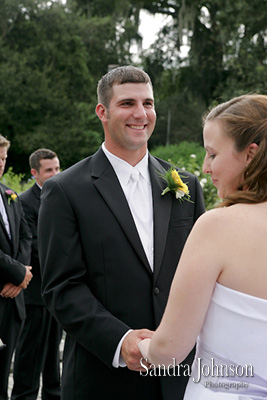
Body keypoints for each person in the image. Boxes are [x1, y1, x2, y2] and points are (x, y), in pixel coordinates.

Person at [38, 65, 205, 400]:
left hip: (180, 376)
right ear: (103, 111)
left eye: (148, 103)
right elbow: (62, 287)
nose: (141, 114)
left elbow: (201, 271)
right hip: (103, 378)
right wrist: (120, 340)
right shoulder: (65, 190)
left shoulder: (184, 185)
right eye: (127, 103)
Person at [138, 94, 267, 399]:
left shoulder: (218, 226)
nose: (206, 168)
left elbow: (169, 351)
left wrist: (143, 344)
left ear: (250, 154)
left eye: (212, 154)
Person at [11, 149, 62, 400]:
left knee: (54, 354)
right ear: (35, 173)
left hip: (58, 291)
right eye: (49, 170)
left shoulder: (64, 196)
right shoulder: (25, 201)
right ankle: (24, 396)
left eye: (57, 168)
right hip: (35, 290)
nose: (55, 174)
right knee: (30, 354)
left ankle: (54, 395)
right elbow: (32, 246)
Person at [0, 134, 32, 400]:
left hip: (12, 301)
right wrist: (19, 273)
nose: (0, 164)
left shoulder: (9, 195)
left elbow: (25, 235)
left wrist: (20, 276)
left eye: (3, 159)